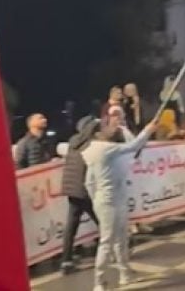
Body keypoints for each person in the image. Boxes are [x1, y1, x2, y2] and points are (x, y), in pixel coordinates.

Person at [82, 114, 158, 291]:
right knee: (108, 241)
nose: (111, 128)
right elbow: (134, 146)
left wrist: (96, 199)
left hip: (110, 199)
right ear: (97, 133)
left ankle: (124, 275)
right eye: (105, 126)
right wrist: (147, 130)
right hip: (109, 201)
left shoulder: (94, 149)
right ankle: (99, 282)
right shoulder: (104, 148)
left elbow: (89, 182)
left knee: (120, 238)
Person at [60, 117, 101, 274]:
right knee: (104, 221)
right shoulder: (91, 144)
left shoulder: (73, 141)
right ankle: (115, 251)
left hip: (72, 189)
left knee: (71, 226)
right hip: (84, 189)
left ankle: (66, 261)